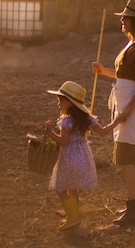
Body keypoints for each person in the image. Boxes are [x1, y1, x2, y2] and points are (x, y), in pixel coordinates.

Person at [92, 0, 135, 225]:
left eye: (126, 17)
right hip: (129, 108)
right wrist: (104, 72)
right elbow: (126, 76)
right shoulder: (132, 45)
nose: (122, 20)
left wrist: (128, 111)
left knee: (127, 160)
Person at [44, 81, 120, 230]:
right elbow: (104, 132)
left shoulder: (66, 121)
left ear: (70, 102)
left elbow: (64, 142)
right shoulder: (87, 119)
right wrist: (117, 121)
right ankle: (74, 217)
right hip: (82, 158)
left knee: (60, 188)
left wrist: (50, 133)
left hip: (68, 159)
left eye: (61, 100)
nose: (59, 104)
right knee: (73, 189)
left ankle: (72, 217)